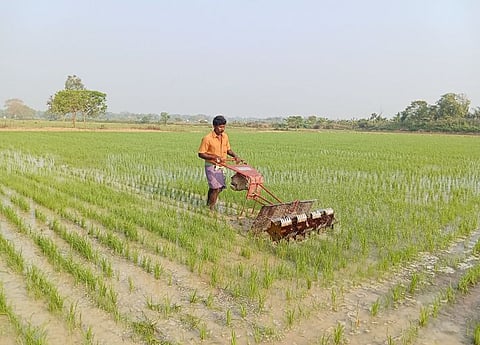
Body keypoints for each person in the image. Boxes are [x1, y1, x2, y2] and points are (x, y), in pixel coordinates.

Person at [198, 115, 241, 210]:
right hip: (212, 165)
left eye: (224, 127)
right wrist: (214, 157)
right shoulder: (207, 138)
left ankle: (208, 203)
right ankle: (211, 209)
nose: (222, 129)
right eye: (220, 127)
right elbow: (201, 154)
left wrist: (235, 156)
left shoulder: (225, 136)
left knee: (219, 187)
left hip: (222, 165)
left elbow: (228, 149)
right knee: (215, 187)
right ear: (214, 126)